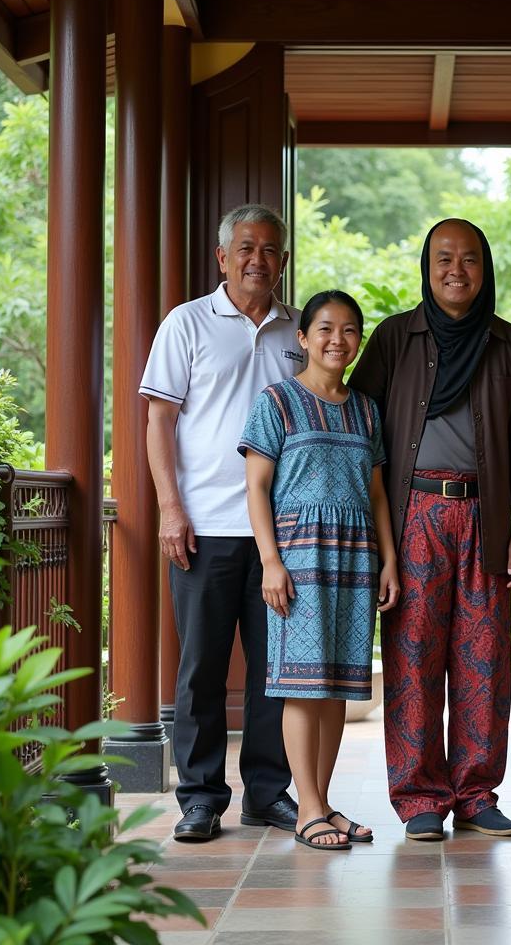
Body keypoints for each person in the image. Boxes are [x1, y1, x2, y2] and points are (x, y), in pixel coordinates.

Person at [349, 217, 511, 841]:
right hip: (413, 516)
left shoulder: (507, 344)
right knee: (412, 655)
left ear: (485, 269)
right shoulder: (393, 338)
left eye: (469, 259)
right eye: (443, 259)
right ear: (426, 268)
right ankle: (419, 796)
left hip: (485, 515)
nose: (456, 271)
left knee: (485, 661)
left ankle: (478, 792)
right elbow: (359, 426)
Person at [141, 203, 302, 842]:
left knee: (276, 670)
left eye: (269, 249)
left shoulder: (302, 331)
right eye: (245, 248)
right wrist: (169, 508)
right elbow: (159, 422)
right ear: (222, 256)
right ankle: (201, 797)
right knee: (201, 668)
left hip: (283, 534)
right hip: (204, 525)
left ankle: (268, 793)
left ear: (283, 261)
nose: (257, 259)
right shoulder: (186, 323)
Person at [240, 290, 400, 850]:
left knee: (336, 688)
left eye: (350, 330)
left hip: (356, 557)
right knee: (301, 689)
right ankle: (306, 807)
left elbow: (377, 493)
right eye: (326, 329)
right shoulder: (276, 401)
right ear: (303, 338)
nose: (339, 340)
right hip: (298, 560)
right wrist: (270, 562)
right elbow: (256, 487)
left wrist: (390, 561)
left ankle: (322, 803)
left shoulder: (365, 409)